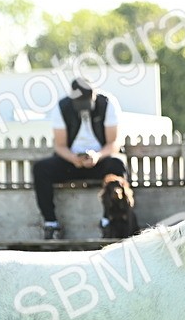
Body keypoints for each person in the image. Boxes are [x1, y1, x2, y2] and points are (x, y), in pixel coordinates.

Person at [32, 78, 128, 240]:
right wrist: (73, 158)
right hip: (71, 163)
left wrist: (97, 156)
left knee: (117, 165)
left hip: (100, 162)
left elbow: (114, 143)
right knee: (41, 168)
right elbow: (60, 145)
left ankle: (109, 221)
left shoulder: (108, 104)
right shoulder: (62, 107)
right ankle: (51, 223)